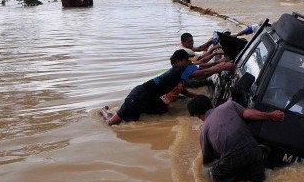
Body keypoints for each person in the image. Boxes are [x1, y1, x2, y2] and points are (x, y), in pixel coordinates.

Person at [99, 50, 235, 126]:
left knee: (130, 121)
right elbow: (203, 73)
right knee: (112, 123)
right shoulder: (178, 71)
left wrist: (218, 63)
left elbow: (200, 67)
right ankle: (103, 111)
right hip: (139, 95)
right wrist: (224, 67)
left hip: (149, 98)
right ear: (178, 62)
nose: (189, 62)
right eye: (186, 60)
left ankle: (114, 112)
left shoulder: (180, 70)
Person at [187, 95, 285, 182]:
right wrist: (272, 115)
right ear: (210, 103)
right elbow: (249, 114)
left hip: (232, 162)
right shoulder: (229, 105)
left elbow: (208, 162)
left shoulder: (204, 132)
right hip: (254, 152)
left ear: (197, 115)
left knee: (208, 174)